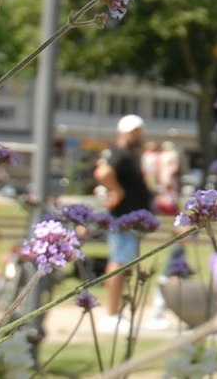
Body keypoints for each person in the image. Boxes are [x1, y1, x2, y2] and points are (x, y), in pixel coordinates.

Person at [94, 114, 155, 331]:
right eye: (135, 131)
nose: (139, 135)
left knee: (123, 263)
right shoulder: (119, 153)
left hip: (130, 219)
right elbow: (103, 172)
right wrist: (116, 190)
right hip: (124, 218)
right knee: (119, 263)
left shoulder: (129, 154)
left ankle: (116, 312)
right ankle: (111, 313)